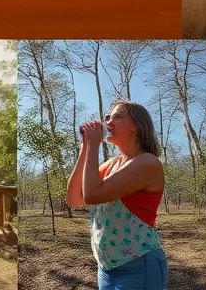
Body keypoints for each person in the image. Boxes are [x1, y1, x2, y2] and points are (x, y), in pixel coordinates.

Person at [67, 100, 167, 290]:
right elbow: (74, 199)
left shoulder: (147, 162)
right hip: (106, 268)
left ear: (136, 126)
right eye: (107, 117)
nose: (108, 122)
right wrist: (85, 148)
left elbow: (92, 196)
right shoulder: (111, 164)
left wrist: (95, 147)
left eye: (117, 117)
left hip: (138, 266)